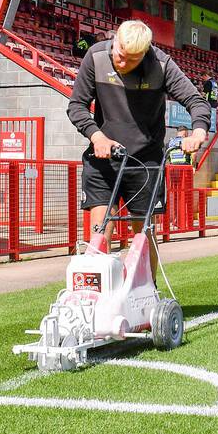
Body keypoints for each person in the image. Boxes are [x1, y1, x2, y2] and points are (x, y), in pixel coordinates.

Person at [67, 20, 210, 279]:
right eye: (119, 54)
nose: (121, 62)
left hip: (145, 162)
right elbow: (76, 106)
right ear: (115, 41)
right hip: (104, 158)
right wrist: (96, 136)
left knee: (143, 233)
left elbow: (196, 101)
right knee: (100, 229)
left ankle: (147, 291)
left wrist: (198, 131)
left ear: (144, 53)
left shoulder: (162, 65)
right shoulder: (97, 56)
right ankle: (95, 296)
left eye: (131, 60)